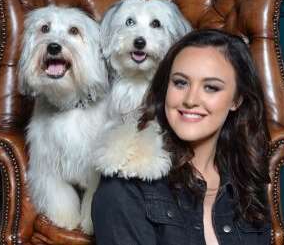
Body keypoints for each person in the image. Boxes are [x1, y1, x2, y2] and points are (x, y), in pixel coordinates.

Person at [92, 29, 271, 245]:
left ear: (236, 100)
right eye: (180, 83)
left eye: (211, 87)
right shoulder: (126, 185)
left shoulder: (244, 182)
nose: (190, 100)